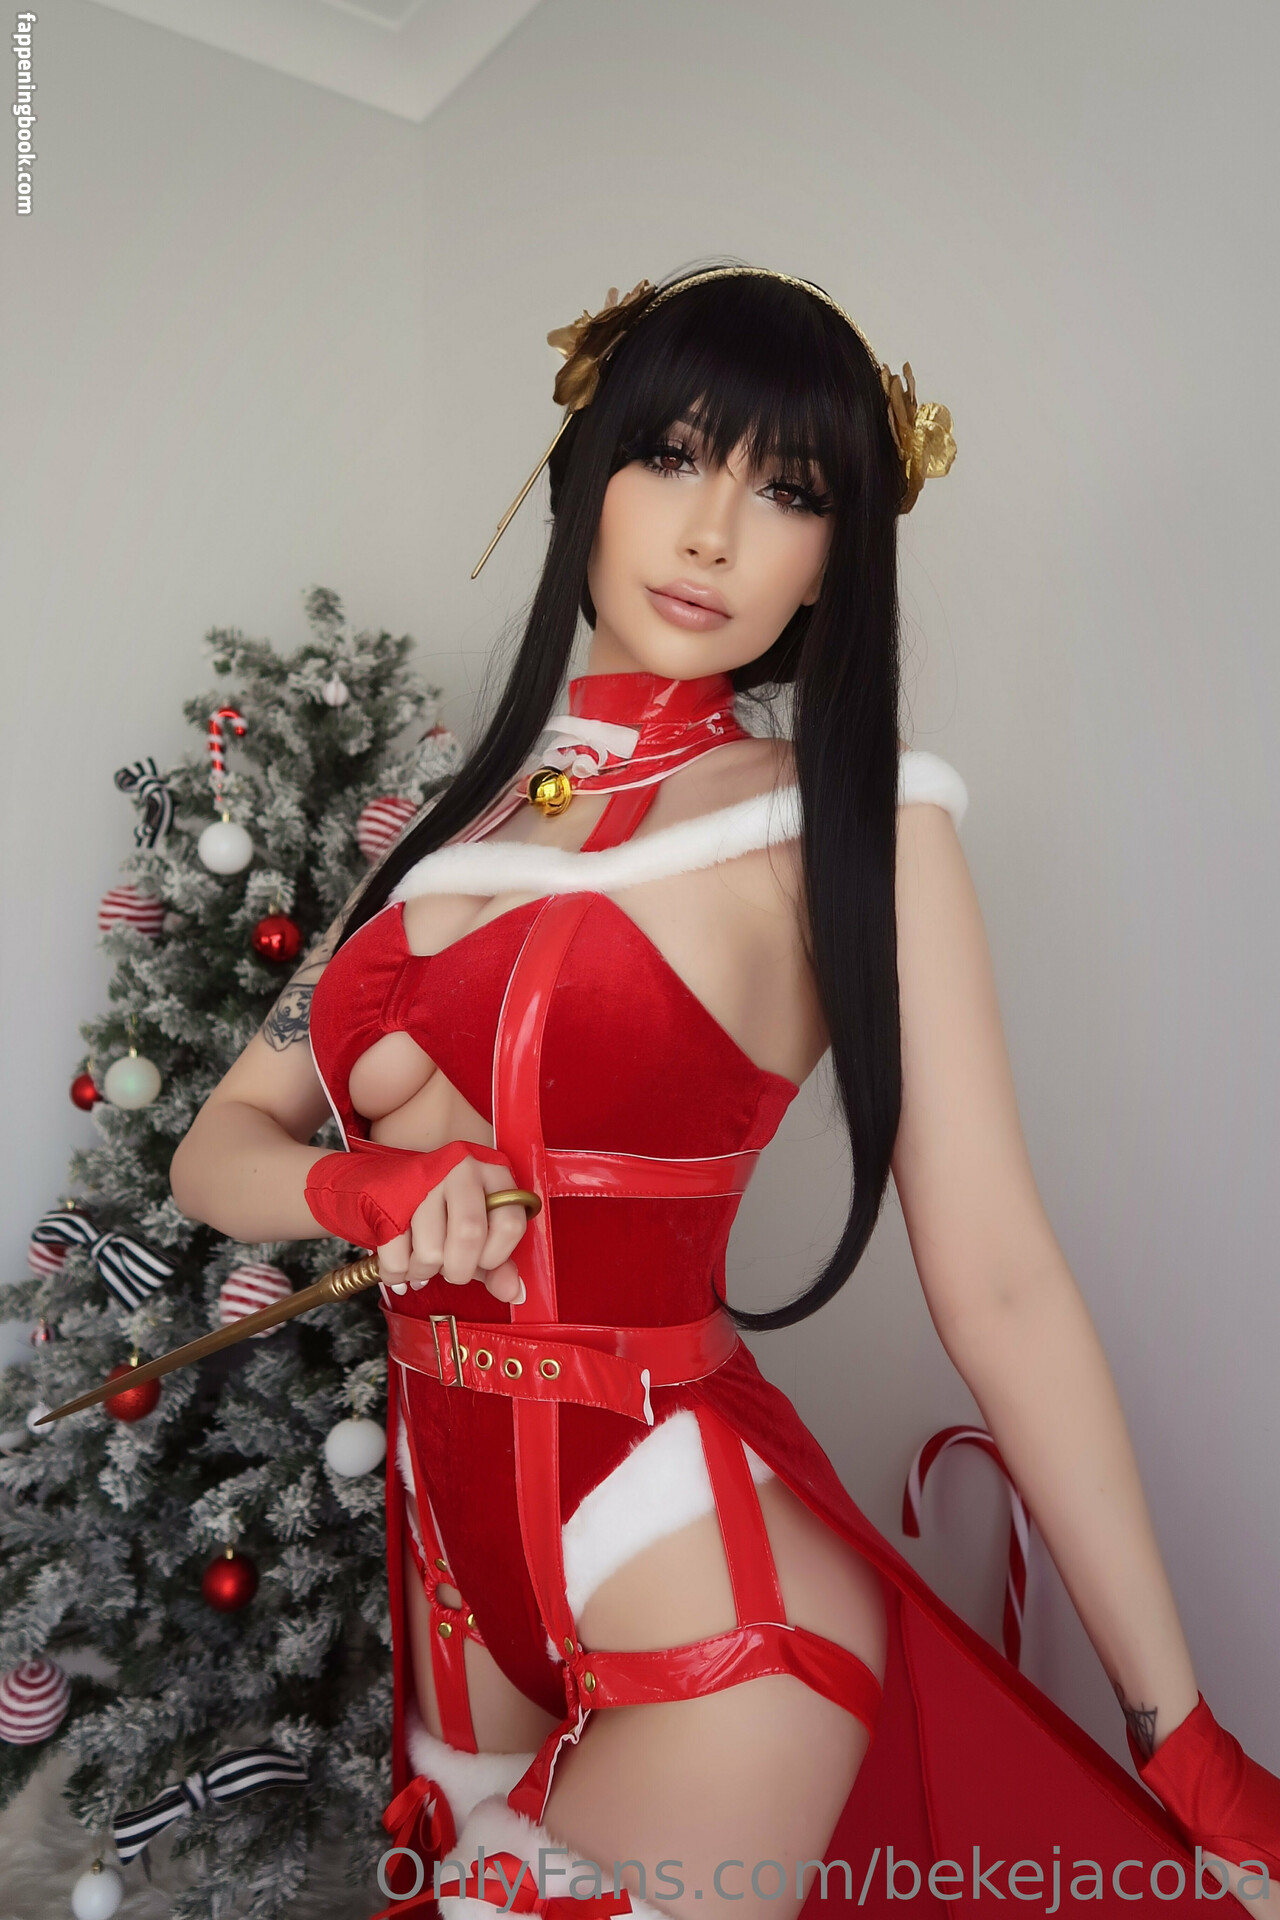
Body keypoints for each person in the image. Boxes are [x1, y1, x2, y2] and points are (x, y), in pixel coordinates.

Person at [169, 266, 1280, 1920]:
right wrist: (363, 1188)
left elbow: (998, 1283)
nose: (712, 535)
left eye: (789, 492)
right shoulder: (441, 837)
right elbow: (215, 1150)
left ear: (836, 557)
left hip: (699, 1576)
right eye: (675, 456)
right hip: (452, 1584)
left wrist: (1178, 1732)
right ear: (586, 476)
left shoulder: (853, 827)